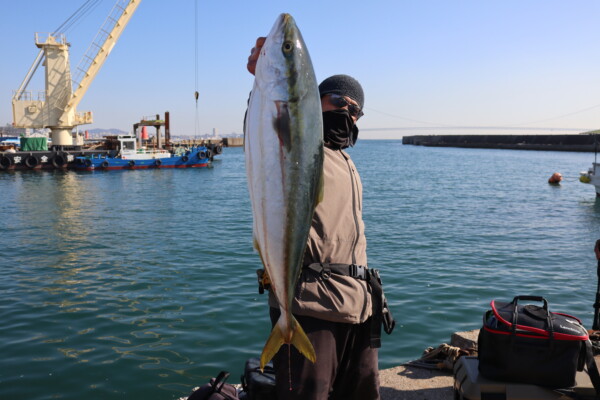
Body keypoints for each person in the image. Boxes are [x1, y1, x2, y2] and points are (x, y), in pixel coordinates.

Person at [248, 37, 389, 400]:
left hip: (358, 307)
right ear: (314, 102)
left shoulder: (346, 161)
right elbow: (270, 127)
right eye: (339, 101)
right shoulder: (300, 150)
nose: (347, 113)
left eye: (356, 110)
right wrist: (261, 83)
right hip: (310, 306)